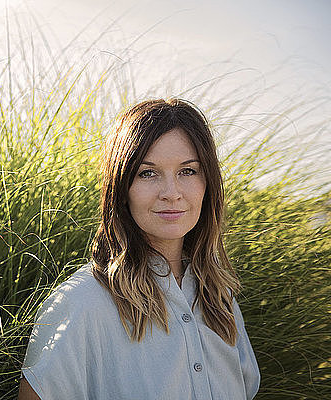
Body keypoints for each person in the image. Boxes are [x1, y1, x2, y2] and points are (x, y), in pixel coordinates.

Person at [17, 99, 260, 400]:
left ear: (207, 182)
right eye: (148, 173)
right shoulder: (82, 303)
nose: (171, 193)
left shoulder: (220, 298)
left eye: (188, 171)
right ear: (121, 188)